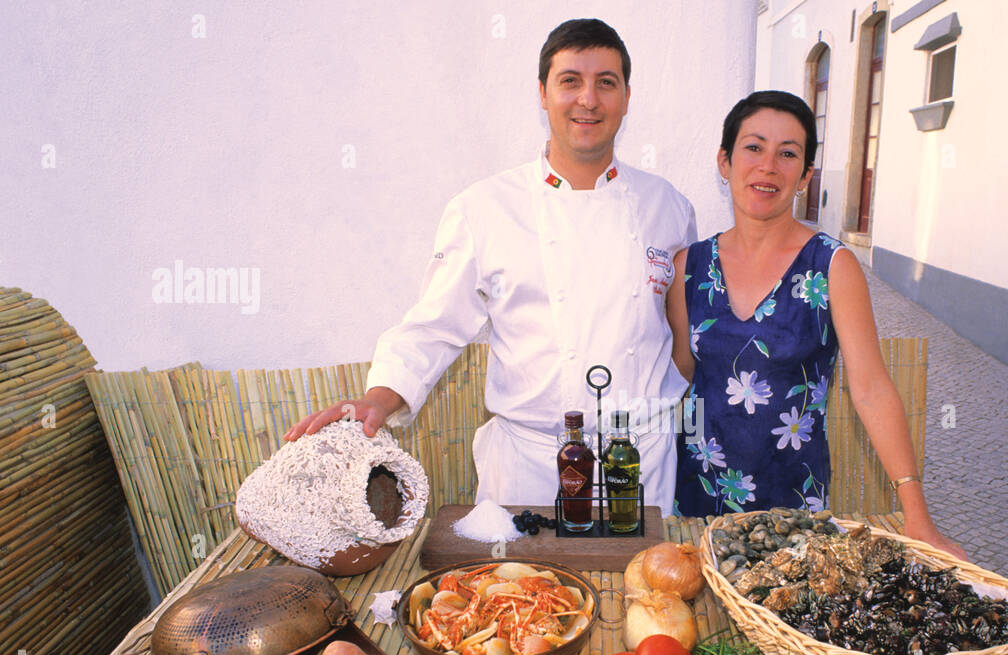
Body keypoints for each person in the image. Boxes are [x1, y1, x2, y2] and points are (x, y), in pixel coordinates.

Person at [284, 19, 695, 514]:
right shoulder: (484, 208)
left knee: (646, 592)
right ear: (542, 93)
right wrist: (379, 399)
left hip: (637, 463)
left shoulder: (669, 207)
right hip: (528, 465)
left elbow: (685, 330)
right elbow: (434, 326)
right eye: (570, 81)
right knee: (517, 591)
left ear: (627, 97)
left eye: (606, 82)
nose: (588, 99)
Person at [667, 90, 966, 560]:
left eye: (788, 154)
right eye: (753, 147)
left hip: (794, 512)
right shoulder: (689, 266)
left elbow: (869, 388)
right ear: (724, 162)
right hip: (699, 500)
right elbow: (683, 376)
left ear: (805, 175)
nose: (768, 166)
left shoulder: (832, 267)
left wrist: (917, 515)